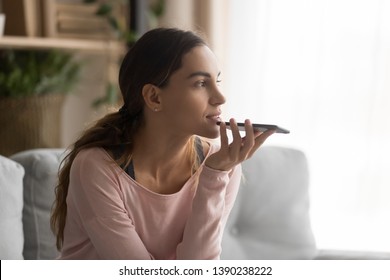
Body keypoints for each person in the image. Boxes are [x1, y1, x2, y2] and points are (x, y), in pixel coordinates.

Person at [50, 27, 275, 260]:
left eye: (217, 81)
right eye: (201, 83)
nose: (220, 97)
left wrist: (215, 174)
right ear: (154, 97)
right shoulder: (97, 167)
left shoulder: (222, 165)